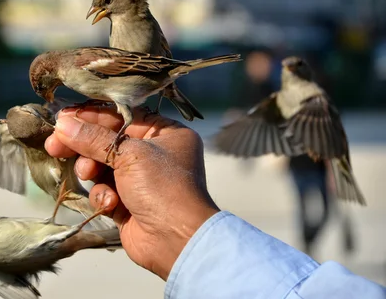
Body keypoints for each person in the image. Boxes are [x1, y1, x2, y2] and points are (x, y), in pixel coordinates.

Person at [44, 105, 385, 299]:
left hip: (311, 171)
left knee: (321, 212)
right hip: (297, 172)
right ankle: (309, 242)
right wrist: (183, 237)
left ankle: (310, 241)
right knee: (304, 210)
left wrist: (186, 234)